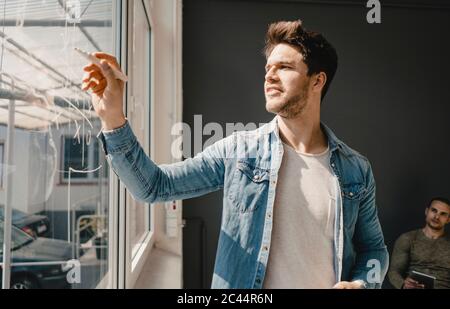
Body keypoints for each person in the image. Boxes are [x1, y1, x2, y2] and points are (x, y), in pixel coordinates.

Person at [81, 20, 388, 289]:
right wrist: (112, 117)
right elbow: (153, 186)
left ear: (317, 80)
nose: (269, 76)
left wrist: (362, 283)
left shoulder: (355, 170)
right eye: (268, 68)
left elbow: (373, 249)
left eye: (284, 67)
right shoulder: (238, 151)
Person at [388, 197, 450, 289]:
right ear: (426, 211)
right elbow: (394, 272)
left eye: (443, 214)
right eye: (434, 210)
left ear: (448, 219)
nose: (436, 217)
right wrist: (403, 284)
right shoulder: (407, 238)